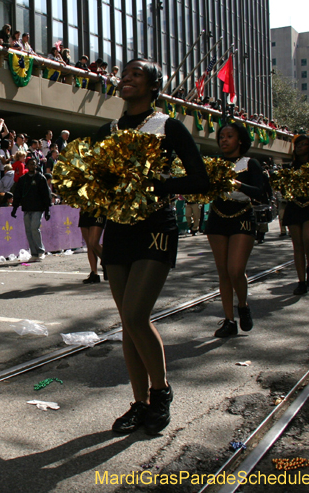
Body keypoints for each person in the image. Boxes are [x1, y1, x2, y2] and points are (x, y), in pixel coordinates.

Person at [98, 59, 209, 435]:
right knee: (127, 324)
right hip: (117, 228)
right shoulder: (107, 130)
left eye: (135, 74)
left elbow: (199, 179)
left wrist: (158, 186)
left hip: (155, 226)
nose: (126, 78)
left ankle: (161, 393)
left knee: (135, 316)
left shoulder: (169, 126)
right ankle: (140, 402)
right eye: (123, 73)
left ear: (153, 85)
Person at [204, 122, 263, 338]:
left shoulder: (251, 164)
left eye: (229, 136)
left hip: (242, 218)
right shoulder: (214, 164)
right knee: (223, 272)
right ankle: (229, 320)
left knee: (236, 270)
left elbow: (261, 193)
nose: (224, 140)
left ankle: (243, 305)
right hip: (218, 218)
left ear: (240, 140)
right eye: (221, 137)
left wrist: (237, 185)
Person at [283, 135, 309, 294]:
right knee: (298, 245)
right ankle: (301, 281)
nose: (300, 147)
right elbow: (285, 188)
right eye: (298, 144)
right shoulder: (291, 167)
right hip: (295, 206)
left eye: (304, 144)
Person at [11, 156, 52, 262]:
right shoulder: (22, 179)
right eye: (30, 164)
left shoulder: (40, 178)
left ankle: (40, 251)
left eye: (34, 164)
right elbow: (17, 194)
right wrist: (14, 208)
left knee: (34, 228)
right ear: (27, 166)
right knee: (28, 231)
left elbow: (46, 195)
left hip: (38, 208)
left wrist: (47, 210)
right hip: (27, 208)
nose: (33, 166)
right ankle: (34, 253)